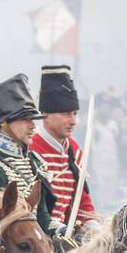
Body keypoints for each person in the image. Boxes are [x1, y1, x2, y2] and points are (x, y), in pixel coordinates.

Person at [0, 74, 61, 236]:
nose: (32, 126)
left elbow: (43, 218)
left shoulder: (34, 162)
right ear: (4, 122)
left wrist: (61, 230)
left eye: (32, 119)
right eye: (24, 119)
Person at [30, 64, 97, 233]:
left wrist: (92, 226)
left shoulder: (74, 149)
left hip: (67, 233)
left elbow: (81, 199)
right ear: (46, 115)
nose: (73, 121)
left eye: (74, 113)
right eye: (66, 114)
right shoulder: (32, 149)